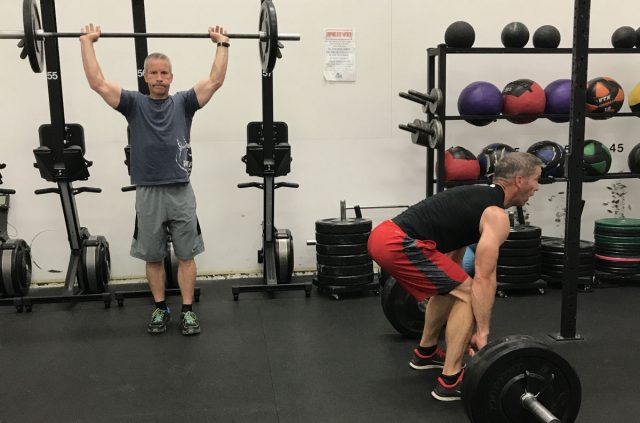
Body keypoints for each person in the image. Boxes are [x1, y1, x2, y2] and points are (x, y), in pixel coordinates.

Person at [80, 23, 230, 336]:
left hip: (180, 191)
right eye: (153, 73)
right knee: (153, 255)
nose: (159, 78)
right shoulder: (133, 104)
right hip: (148, 192)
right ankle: (160, 308)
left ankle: (187, 310)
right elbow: (97, 82)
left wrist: (222, 44)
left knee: (186, 255)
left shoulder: (184, 103)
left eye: (164, 73)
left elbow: (215, 80)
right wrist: (87, 42)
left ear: (171, 77)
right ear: (145, 76)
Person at [368, 152, 542, 401]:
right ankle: (450, 381)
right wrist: (482, 332)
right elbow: (484, 278)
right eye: (536, 179)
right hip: (396, 242)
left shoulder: (476, 198)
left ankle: (425, 353)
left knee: (453, 287)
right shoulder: (495, 214)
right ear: (519, 180)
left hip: (384, 236)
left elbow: (453, 261)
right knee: (469, 293)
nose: (537, 187)